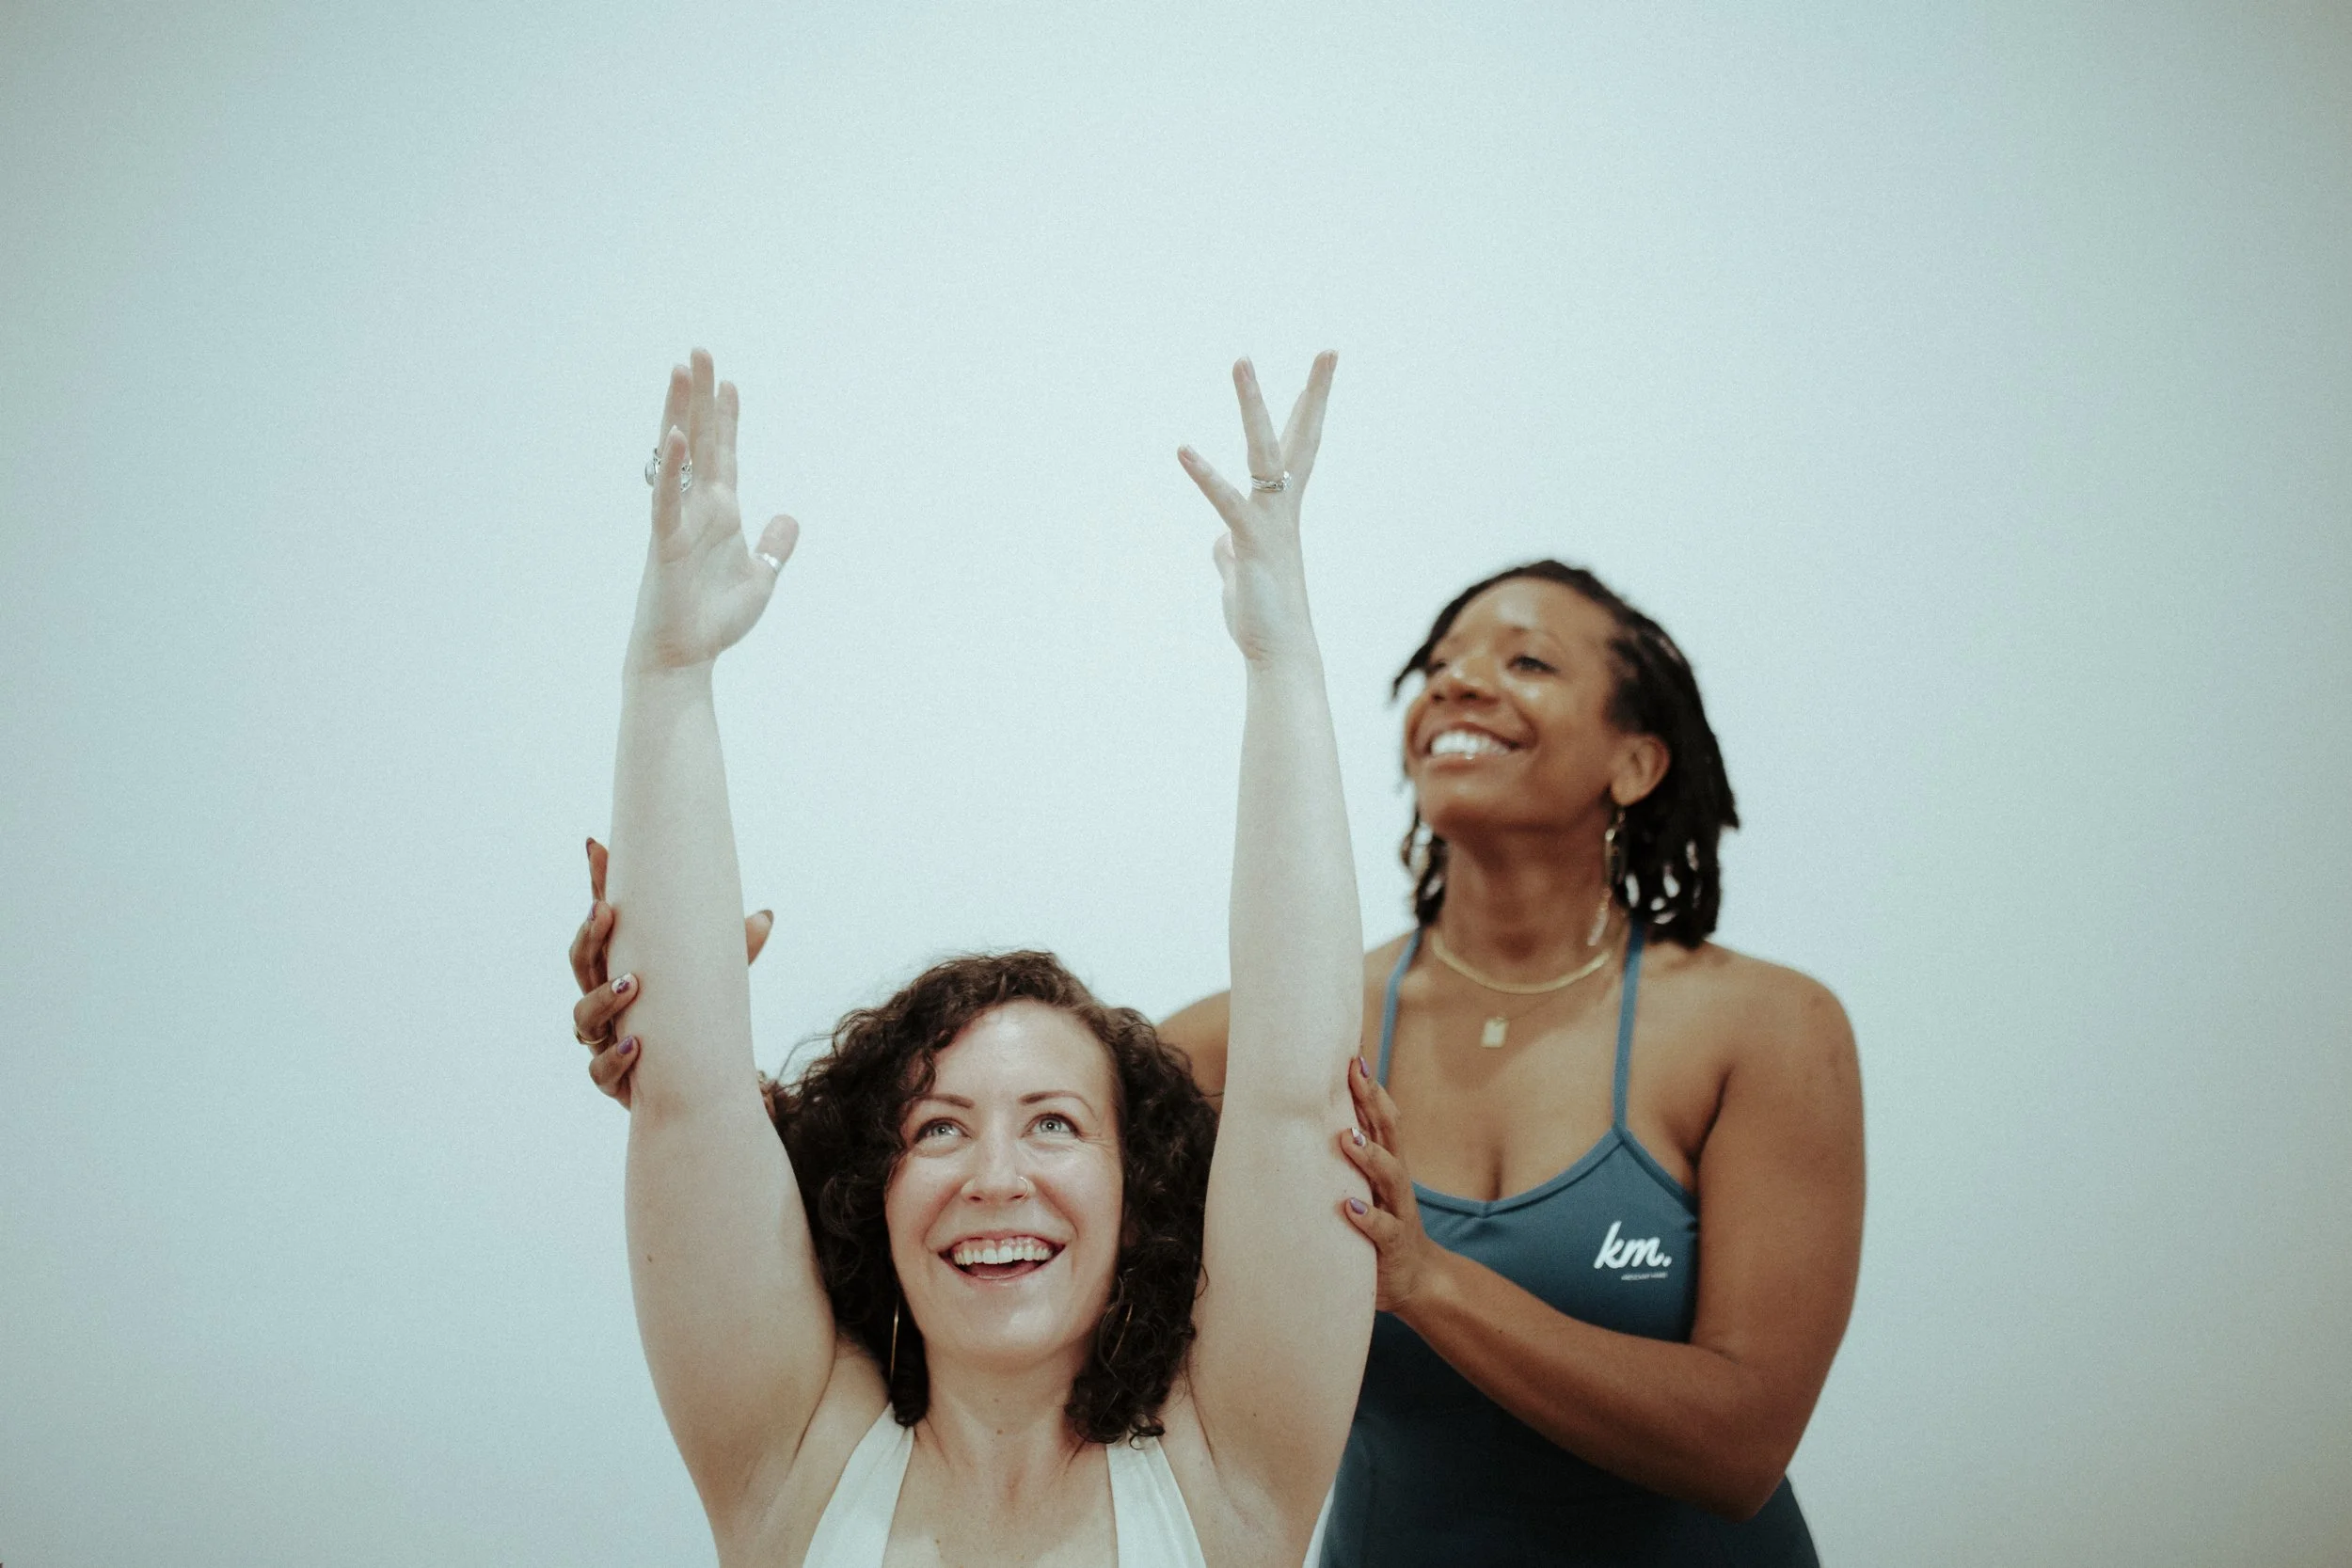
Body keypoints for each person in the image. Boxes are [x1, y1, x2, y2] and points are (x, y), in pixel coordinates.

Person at [578, 504, 1864, 1564]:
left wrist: (1425, 1278)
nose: (1461, 680)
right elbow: (1011, 1107)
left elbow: (1741, 1444)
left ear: (1636, 763)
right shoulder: (1263, 1040)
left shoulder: (1762, 1026)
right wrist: (685, 1056)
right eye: (1441, 661)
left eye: (1526, 659)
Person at [589, 347, 1375, 1568]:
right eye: (938, 1127)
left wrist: (1285, 665)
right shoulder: (794, 1459)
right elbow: (688, 1092)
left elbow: (1294, 1089)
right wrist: (669, 668)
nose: (995, 1175)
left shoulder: (1230, 1475)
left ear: (1141, 1192)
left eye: (1055, 1122)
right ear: (870, 1194)